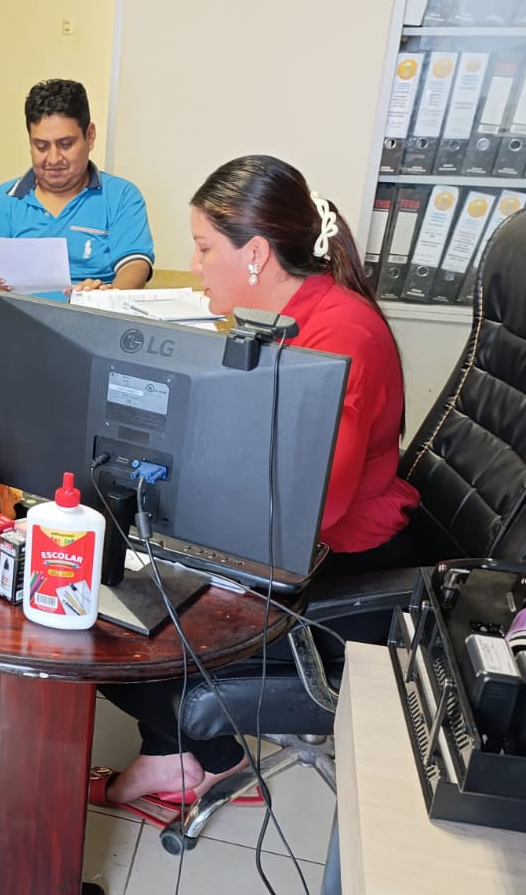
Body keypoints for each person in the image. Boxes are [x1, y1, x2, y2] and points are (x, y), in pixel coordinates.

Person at [94, 154, 421, 815]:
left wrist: (205, 552)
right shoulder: (291, 315)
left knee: (107, 630)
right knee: (116, 573)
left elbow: (308, 508)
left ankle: (209, 757)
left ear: (256, 254)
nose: (195, 263)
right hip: (300, 538)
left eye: (204, 247)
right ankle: (171, 752)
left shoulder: (337, 338)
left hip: (339, 563)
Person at [0, 78, 154, 303]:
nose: (54, 159)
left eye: (66, 144)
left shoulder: (122, 196)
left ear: (90, 136)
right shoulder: (3, 200)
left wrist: (108, 297)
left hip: (93, 312)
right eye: (41, 146)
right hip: (19, 313)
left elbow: (135, 265)